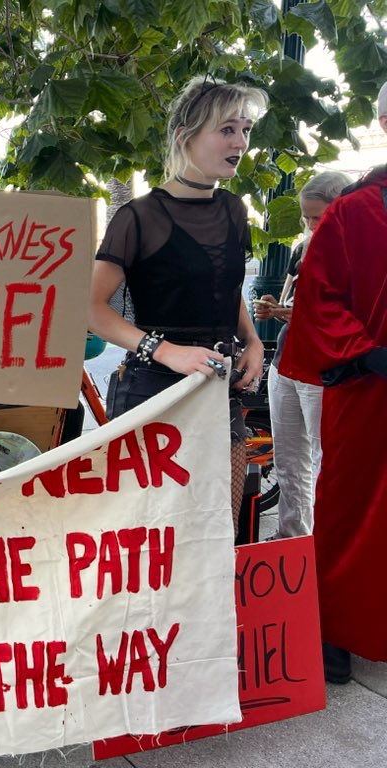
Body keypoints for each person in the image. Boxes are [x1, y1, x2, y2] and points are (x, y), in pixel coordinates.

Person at [88, 76, 268, 531]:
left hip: (218, 386)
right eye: (227, 129)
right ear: (187, 136)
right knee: (149, 536)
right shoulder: (138, 217)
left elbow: (225, 289)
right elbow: (91, 308)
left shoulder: (233, 210)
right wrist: (164, 350)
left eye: (245, 130)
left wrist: (252, 341)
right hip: (151, 387)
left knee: (217, 532)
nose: (240, 142)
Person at [278, 83, 387, 684]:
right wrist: (368, 354)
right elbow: (318, 301)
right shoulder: (351, 212)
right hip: (368, 390)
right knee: (348, 508)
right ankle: (334, 629)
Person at [253, 171, 351, 540]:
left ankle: (326, 542)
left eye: (317, 217)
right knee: (289, 461)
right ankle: (291, 537)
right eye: (306, 217)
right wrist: (272, 306)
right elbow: (293, 300)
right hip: (287, 363)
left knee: (325, 462)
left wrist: (301, 313)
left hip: (323, 370)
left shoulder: (355, 250)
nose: (310, 225)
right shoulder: (301, 248)